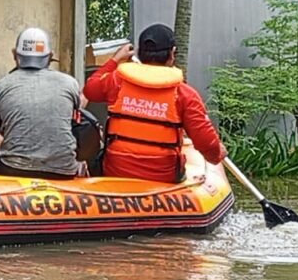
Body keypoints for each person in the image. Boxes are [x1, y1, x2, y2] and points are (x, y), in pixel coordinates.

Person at [82, 23, 226, 183]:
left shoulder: (116, 81)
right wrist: (218, 153)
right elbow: (208, 147)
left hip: (116, 172)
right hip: (162, 177)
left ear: (139, 54)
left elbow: (90, 89)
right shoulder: (185, 94)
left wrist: (116, 59)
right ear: (172, 53)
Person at [0, 27, 81, 180]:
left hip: (13, 169)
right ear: (50, 56)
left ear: (15, 54)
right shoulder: (70, 83)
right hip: (65, 170)